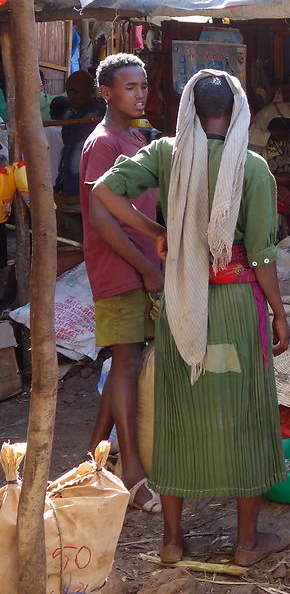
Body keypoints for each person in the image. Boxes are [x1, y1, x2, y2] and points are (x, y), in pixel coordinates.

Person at [92, 70, 290, 566]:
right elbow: (262, 254)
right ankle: (246, 544)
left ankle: (172, 542)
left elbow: (103, 191)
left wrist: (158, 228)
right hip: (237, 305)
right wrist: (280, 314)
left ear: (190, 112)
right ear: (240, 111)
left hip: (182, 306)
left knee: (179, 413)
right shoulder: (252, 168)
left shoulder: (167, 154)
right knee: (244, 412)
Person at [80, 53, 161, 515]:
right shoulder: (103, 143)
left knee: (125, 363)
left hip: (140, 263)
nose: (139, 93)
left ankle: (94, 459)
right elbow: (101, 217)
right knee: (125, 365)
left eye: (142, 85)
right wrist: (147, 268)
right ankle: (130, 472)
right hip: (119, 269)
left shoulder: (134, 138)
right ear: (106, 92)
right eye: (129, 87)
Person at [54, 70, 106, 240]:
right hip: (62, 187)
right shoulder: (69, 114)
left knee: (83, 244)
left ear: (91, 90)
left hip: (84, 190)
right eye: (68, 91)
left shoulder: (101, 114)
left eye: (75, 91)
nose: (70, 96)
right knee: (62, 242)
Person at [249, 100, 290, 237]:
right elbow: (249, 174)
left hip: (289, 199)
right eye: (278, 133)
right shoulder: (252, 144)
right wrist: (276, 178)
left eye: (285, 133)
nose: (282, 137)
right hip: (265, 201)